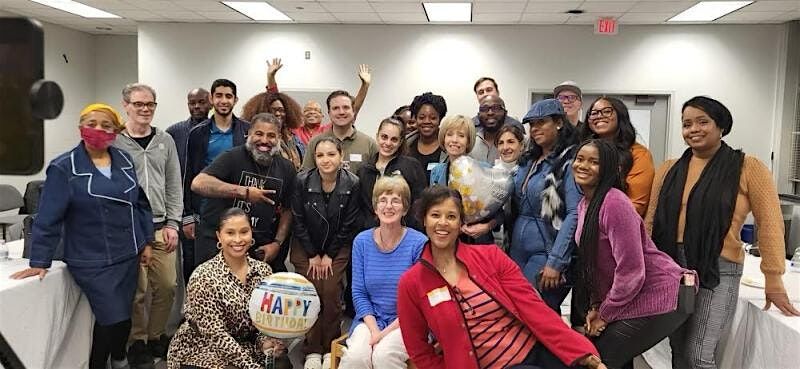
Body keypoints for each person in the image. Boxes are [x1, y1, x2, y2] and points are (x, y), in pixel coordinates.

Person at [645, 96, 800, 369]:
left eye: (702, 122)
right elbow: (651, 220)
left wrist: (773, 278)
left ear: (721, 126)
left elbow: (771, 223)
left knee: (698, 354)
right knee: (677, 349)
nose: (693, 129)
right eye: (686, 124)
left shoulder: (748, 166)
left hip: (718, 267)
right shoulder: (669, 168)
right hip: (671, 267)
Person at [397, 186, 605, 369]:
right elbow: (418, 350)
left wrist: (582, 351)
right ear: (423, 219)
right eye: (435, 215)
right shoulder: (411, 283)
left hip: (537, 349)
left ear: (461, 223)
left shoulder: (491, 257)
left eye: (451, 216)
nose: (443, 223)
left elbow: (534, 307)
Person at [12, 103, 154, 369]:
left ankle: (104, 360)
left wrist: (146, 240)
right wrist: (39, 261)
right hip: (91, 259)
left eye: (106, 125)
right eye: (91, 124)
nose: (98, 129)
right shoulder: (63, 167)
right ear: (81, 128)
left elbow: (140, 203)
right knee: (114, 317)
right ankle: (116, 359)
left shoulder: (124, 160)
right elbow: (47, 217)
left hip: (127, 253)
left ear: (116, 131)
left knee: (115, 316)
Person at [573, 139, 694, 368]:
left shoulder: (614, 203)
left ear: (608, 168)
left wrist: (606, 313)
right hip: (634, 295)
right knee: (611, 355)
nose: (583, 166)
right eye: (580, 159)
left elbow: (631, 270)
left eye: (593, 162)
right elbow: (599, 265)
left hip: (664, 293)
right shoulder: (585, 204)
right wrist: (598, 306)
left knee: (600, 357)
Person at [166, 208, 291, 369]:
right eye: (230, 233)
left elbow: (261, 323)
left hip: (245, 345)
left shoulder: (263, 271)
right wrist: (252, 367)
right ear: (219, 236)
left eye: (244, 232)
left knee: (282, 364)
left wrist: (264, 343)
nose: (238, 239)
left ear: (251, 233)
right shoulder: (203, 277)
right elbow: (216, 336)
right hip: (202, 350)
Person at [113, 83, 183, 368]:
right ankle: (137, 342)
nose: (145, 109)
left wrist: (173, 223)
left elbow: (173, 185)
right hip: (129, 229)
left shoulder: (165, 140)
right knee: (138, 291)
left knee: (167, 285)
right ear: (126, 105)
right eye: (139, 104)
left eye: (150, 104)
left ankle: (157, 336)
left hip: (160, 226)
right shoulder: (115, 142)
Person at [338, 176, 427, 369]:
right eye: (383, 200)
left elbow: (417, 301)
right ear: (375, 207)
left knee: (384, 356)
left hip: (407, 321)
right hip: (370, 319)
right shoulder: (361, 241)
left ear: (405, 208)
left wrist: (383, 335)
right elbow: (359, 292)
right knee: (356, 357)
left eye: (396, 200)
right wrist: (374, 330)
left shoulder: (418, 243)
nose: (388, 206)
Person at [190, 113, 296, 273]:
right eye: (259, 134)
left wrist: (277, 243)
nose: (264, 141)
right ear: (249, 134)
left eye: (271, 135)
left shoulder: (287, 168)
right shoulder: (233, 157)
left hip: (258, 248)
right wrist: (243, 192)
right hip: (218, 244)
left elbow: (289, 209)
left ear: (279, 138)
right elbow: (198, 183)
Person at [292, 137, 362, 369]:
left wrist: (329, 255)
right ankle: (312, 348)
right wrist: (313, 254)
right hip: (306, 246)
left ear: (341, 156)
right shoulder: (302, 180)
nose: (325, 160)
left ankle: (330, 346)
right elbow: (298, 220)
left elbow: (349, 223)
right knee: (312, 291)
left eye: (331, 154)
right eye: (320, 155)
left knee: (330, 291)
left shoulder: (352, 183)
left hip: (337, 247)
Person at [510, 99, 579, 312]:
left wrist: (556, 261)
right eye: (532, 124)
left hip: (546, 251)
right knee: (517, 313)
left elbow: (574, 213)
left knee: (537, 313)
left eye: (542, 122)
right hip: (517, 252)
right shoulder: (529, 160)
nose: (535, 129)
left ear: (559, 122)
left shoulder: (569, 160)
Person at [183, 78, 250, 267]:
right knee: (205, 269)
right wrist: (188, 215)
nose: (224, 100)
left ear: (235, 100)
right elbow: (189, 174)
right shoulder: (197, 133)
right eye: (219, 96)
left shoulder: (247, 130)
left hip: (238, 208)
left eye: (228, 96)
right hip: (206, 212)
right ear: (211, 99)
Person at [430, 115, 500, 245]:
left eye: (461, 136)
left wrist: (486, 227)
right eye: (449, 134)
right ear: (443, 139)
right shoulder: (436, 172)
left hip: (478, 241)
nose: (454, 140)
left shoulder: (484, 169)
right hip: (446, 241)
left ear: (468, 141)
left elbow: (499, 212)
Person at [580, 97, 654, 217]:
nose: (599, 116)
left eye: (607, 111)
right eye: (594, 113)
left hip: (617, 224)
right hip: (580, 222)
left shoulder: (638, 154)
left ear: (620, 115)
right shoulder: (583, 151)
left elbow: (636, 205)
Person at [166, 88, 211, 285]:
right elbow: (175, 176)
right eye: (193, 103)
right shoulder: (174, 133)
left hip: (214, 207)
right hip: (187, 209)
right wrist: (184, 214)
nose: (197, 107)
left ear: (210, 103)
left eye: (201, 102)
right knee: (191, 261)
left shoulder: (219, 131)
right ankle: (191, 307)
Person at [357, 117, 427, 231]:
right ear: (377, 136)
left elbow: (419, 203)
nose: (388, 143)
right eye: (384, 137)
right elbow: (361, 208)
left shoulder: (412, 166)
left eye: (394, 139)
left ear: (400, 142)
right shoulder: (364, 171)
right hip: (372, 234)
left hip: (404, 232)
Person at [301, 90, 378, 174]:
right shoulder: (315, 142)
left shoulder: (369, 144)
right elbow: (305, 176)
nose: (341, 112)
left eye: (346, 107)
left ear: (353, 111)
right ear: (329, 113)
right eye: (335, 108)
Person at [241, 91, 305, 169]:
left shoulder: (294, 139)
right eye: (273, 110)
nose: (278, 114)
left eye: (281, 110)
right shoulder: (252, 139)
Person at [495, 124, 527, 251]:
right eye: (501, 143)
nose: (505, 147)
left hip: (523, 239)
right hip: (498, 240)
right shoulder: (492, 174)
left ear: (522, 145)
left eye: (511, 142)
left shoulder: (529, 172)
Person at [469, 95, 524, 164]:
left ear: (505, 113)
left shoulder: (519, 140)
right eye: (484, 109)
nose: (490, 113)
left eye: (496, 108)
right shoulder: (470, 141)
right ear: (478, 114)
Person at [406, 92, 448, 181]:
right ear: (415, 119)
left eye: (433, 118)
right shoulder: (405, 145)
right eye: (421, 117)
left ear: (440, 120)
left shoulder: (449, 146)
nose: (427, 121)